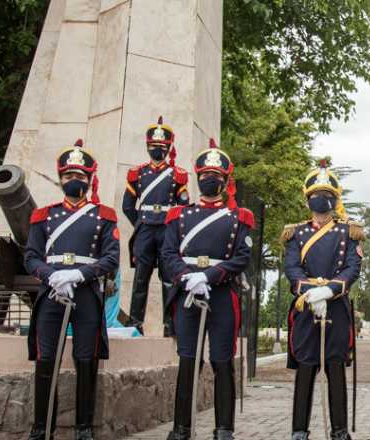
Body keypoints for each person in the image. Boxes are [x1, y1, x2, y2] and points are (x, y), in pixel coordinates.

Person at [24, 139, 120, 440]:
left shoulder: (104, 216)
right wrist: (51, 276)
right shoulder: (43, 216)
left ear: (89, 180)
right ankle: (41, 428)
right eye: (68, 176)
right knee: (46, 359)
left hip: (86, 292)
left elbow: (111, 257)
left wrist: (79, 274)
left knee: (85, 359)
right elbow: (30, 256)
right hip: (51, 291)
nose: (73, 181)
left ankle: (84, 428)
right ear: (60, 178)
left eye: (79, 176)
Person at [161, 140, 254, 440]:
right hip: (188, 293)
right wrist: (187, 277)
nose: (209, 180)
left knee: (222, 360)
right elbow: (168, 253)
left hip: (222, 294)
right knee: (188, 360)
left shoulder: (239, 218)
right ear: (197, 177)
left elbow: (242, 256)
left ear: (226, 181)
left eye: (215, 175)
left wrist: (210, 275)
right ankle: (181, 427)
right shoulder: (179, 215)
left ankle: (224, 428)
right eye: (204, 174)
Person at [281, 160, 363, 440]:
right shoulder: (296, 233)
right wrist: (309, 291)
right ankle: (299, 430)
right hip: (306, 308)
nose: (321, 199)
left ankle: (339, 431)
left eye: (327, 194)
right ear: (307, 199)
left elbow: (353, 267)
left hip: (335, 307)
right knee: (305, 368)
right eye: (316, 194)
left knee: (336, 368)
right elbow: (291, 268)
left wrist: (329, 290)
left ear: (335, 199)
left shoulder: (348, 232)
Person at [122, 116, 189, 336]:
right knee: (141, 277)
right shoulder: (138, 173)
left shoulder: (177, 175)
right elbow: (127, 206)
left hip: (167, 231)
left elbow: (183, 206)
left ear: (169, 147)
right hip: (145, 230)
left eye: (161, 146)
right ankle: (135, 323)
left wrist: (173, 229)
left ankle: (170, 325)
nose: (157, 150)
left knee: (169, 279)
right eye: (153, 146)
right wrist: (140, 223)